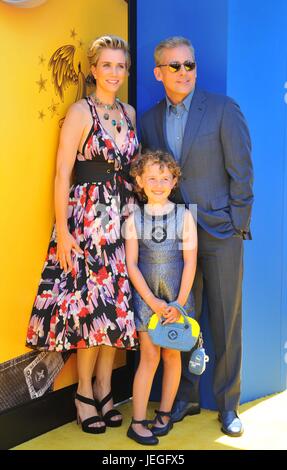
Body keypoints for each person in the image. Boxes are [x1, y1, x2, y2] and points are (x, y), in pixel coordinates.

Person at [140, 36, 254, 437]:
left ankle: (228, 406)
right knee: (181, 320)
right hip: (170, 243)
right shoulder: (149, 120)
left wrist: (237, 223)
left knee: (225, 322)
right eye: (175, 66)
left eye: (189, 65)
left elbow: (242, 171)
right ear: (159, 73)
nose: (184, 72)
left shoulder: (223, 109)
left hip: (220, 234)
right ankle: (184, 398)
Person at [26, 35, 139, 434]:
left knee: (116, 312)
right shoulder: (80, 111)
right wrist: (64, 231)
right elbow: (62, 175)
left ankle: (107, 389)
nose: (114, 73)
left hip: (121, 220)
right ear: (93, 70)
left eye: (120, 66)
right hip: (87, 221)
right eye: (106, 65)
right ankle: (84, 393)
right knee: (90, 313)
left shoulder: (128, 112)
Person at [125, 150, 197, 445]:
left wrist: (179, 304)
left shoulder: (185, 215)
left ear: (174, 180)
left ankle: (164, 414)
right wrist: (152, 302)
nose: (158, 184)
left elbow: (190, 262)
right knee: (150, 356)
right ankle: (138, 421)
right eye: (151, 178)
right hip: (147, 299)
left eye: (164, 178)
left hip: (177, 300)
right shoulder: (133, 218)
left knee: (172, 354)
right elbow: (131, 264)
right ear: (140, 181)